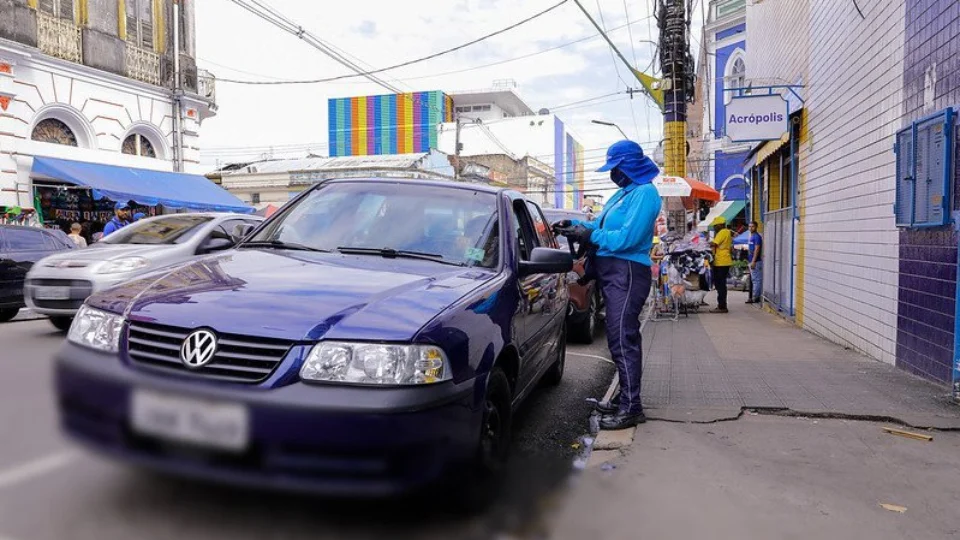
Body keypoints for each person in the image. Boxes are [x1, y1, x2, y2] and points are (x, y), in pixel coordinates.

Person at [553, 140, 662, 431]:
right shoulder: (623, 194)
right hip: (613, 272)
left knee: (622, 338)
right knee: (617, 338)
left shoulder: (645, 193)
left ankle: (631, 407)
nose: (613, 173)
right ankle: (624, 399)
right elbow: (600, 227)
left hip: (626, 271)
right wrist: (576, 226)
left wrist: (591, 236)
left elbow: (626, 239)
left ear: (629, 166)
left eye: (616, 168)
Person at [709, 217, 733, 313]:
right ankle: (722, 305)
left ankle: (722, 306)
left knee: (720, 284)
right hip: (723, 261)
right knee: (720, 284)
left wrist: (702, 243)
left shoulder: (722, 232)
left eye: (715, 226)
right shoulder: (726, 232)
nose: (714, 228)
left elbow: (714, 244)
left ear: (720, 225)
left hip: (721, 261)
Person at [746, 221, 763, 304]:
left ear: (756, 227)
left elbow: (757, 249)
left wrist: (753, 261)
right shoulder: (751, 236)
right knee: (754, 279)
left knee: (756, 280)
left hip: (755, 261)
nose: (751, 228)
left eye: (752, 226)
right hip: (751, 261)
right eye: (749, 226)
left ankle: (756, 297)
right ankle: (754, 296)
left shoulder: (757, 237)